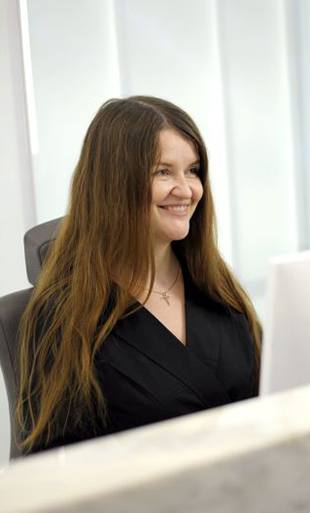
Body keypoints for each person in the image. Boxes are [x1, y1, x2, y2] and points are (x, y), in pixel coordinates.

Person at [15, 96, 262, 454]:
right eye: (163, 171)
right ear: (115, 184)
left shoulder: (215, 285)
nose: (187, 189)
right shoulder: (64, 315)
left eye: (193, 170)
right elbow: (59, 469)